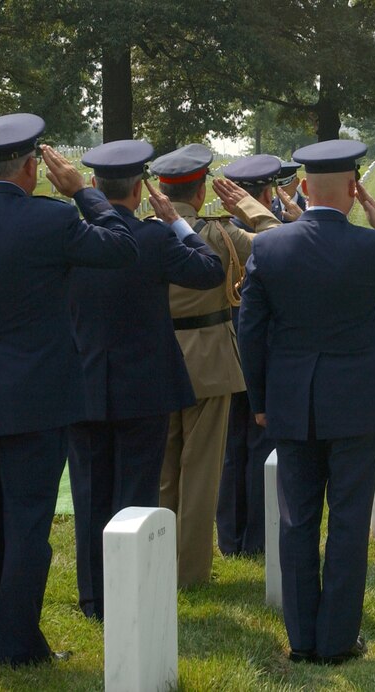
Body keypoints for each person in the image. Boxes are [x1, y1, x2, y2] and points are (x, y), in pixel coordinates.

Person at [0, 113, 138, 664]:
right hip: (36, 397)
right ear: (32, 167)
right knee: (26, 522)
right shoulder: (53, 221)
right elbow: (123, 248)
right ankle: (15, 645)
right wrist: (84, 193)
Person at [237, 139, 375, 665]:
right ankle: (338, 639)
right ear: (353, 190)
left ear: (302, 188)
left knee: (298, 520)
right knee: (348, 521)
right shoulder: (368, 246)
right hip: (356, 401)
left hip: (292, 400)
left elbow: (249, 330)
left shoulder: (269, 248)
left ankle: (302, 639)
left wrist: (259, 397)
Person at [67, 140, 225, 619]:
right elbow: (211, 271)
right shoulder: (155, 239)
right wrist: (177, 222)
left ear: (93, 186)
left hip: (83, 383)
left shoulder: (69, 238)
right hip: (145, 384)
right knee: (135, 493)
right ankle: (130, 587)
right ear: (139, 191)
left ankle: (95, 597)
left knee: (90, 493)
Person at [152, 143, 282, 588]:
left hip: (156, 358)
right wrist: (248, 206)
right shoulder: (220, 235)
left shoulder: (143, 232)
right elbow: (279, 241)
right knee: (202, 472)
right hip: (209, 359)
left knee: (163, 472)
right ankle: (189, 572)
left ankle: (156, 560)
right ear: (203, 186)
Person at [215, 154, 293, 558]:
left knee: (231, 450)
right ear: (266, 194)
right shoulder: (272, 236)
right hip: (264, 353)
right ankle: (258, 537)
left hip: (225, 353)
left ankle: (230, 537)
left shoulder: (215, 232)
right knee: (261, 447)